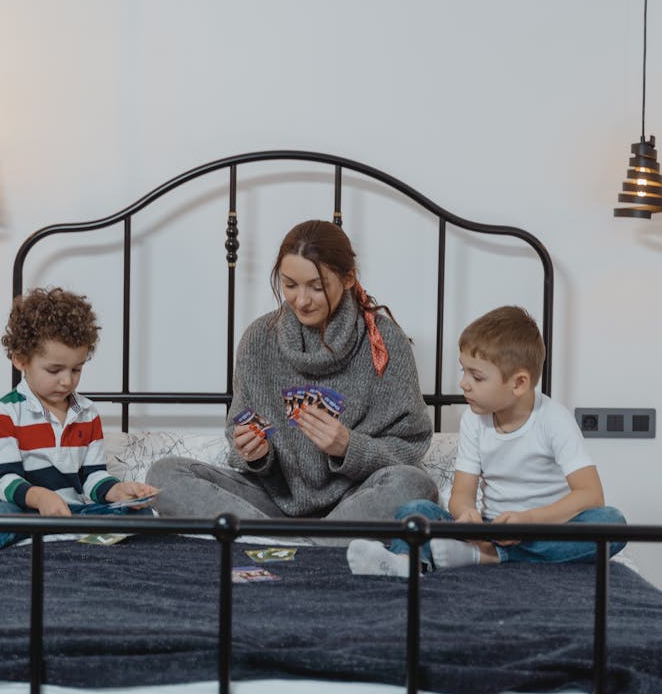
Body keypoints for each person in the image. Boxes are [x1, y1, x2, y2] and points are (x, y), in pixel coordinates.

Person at [147, 219, 436, 522]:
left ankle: (283, 544)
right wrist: (255, 454)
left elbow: (411, 445)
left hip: (355, 499)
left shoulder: (383, 341)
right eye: (289, 284)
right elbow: (239, 432)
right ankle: (312, 546)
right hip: (270, 505)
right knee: (163, 474)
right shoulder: (258, 338)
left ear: (349, 278)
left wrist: (349, 447)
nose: (301, 300)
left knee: (416, 484)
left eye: (317, 286)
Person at [347, 305, 627, 577]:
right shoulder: (473, 420)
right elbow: (462, 494)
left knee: (611, 523)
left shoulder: (554, 420)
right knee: (415, 510)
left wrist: (528, 521)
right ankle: (406, 562)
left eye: (476, 377)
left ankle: (487, 557)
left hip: (544, 529)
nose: (463, 384)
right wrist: (467, 515)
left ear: (519, 384)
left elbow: (591, 495)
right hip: (489, 528)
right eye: (463, 371)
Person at [0, 287, 157, 587]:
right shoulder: (5, 412)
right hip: (19, 509)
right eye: (54, 369)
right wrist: (39, 497)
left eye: (76, 369)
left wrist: (118, 492)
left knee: (142, 515)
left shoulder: (87, 413)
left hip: (70, 510)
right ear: (20, 360)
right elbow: (5, 481)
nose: (66, 380)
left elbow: (92, 478)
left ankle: (74, 547)